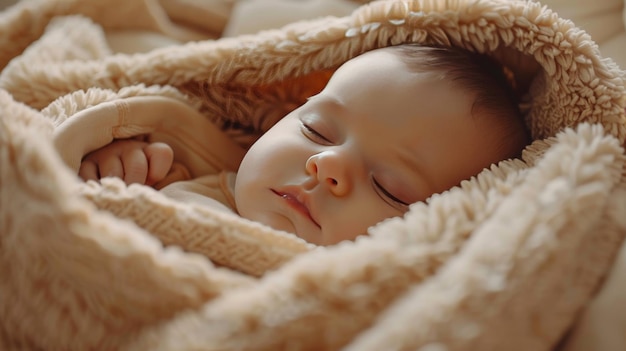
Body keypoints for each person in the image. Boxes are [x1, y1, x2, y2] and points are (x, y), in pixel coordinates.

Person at [79, 44, 530, 246]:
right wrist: (109, 164)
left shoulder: (357, 296)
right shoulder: (177, 174)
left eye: (389, 188)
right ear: (278, 120)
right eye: (316, 130)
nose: (326, 165)